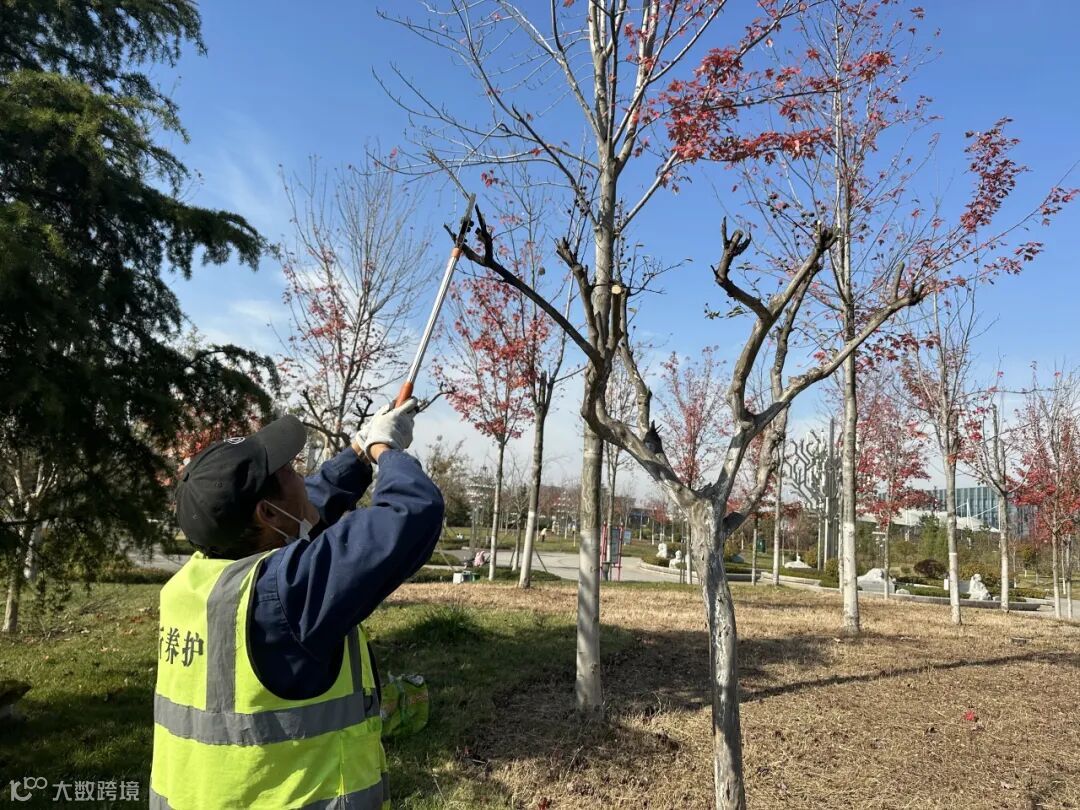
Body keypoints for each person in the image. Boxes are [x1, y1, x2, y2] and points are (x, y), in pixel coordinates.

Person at [149, 399, 443, 809]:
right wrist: (387, 451)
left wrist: (359, 451)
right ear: (267, 514)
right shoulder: (285, 594)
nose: (301, 475)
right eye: (288, 470)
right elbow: (412, 512)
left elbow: (305, 503)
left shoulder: (197, 580)